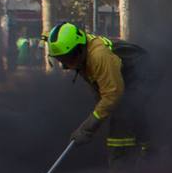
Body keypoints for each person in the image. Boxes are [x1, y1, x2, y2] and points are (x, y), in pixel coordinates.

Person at [43, 22, 150, 165]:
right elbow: (100, 89)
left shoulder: (98, 55)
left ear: (79, 48)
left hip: (144, 74)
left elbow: (113, 95)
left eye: (68, 58)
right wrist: (99, 117)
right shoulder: (81, 56)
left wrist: (88, 127)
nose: (66, 65)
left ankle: (126, 170)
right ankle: (139, 158)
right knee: (120, 116)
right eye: (61, 59)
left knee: (123, 119)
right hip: (126, 78)